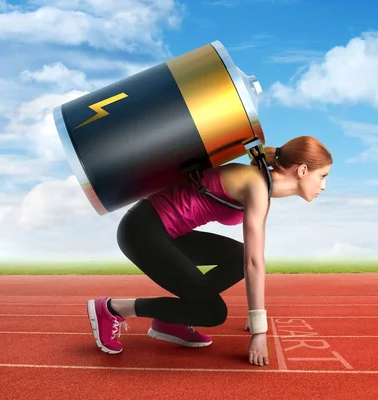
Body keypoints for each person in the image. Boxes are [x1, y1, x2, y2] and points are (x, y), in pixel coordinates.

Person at [86, 135, 333, 367]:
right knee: (213, 312)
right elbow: (255, 262)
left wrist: (255, 313)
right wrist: (260, 330)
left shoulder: (259, 184)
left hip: (169, 234)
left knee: (237, 257)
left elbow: (249, 259)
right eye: (322, 176)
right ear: (302, 170)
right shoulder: (256, 186)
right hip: (142, 232)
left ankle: (172, 319)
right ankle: (113, 308)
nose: (323, 186)